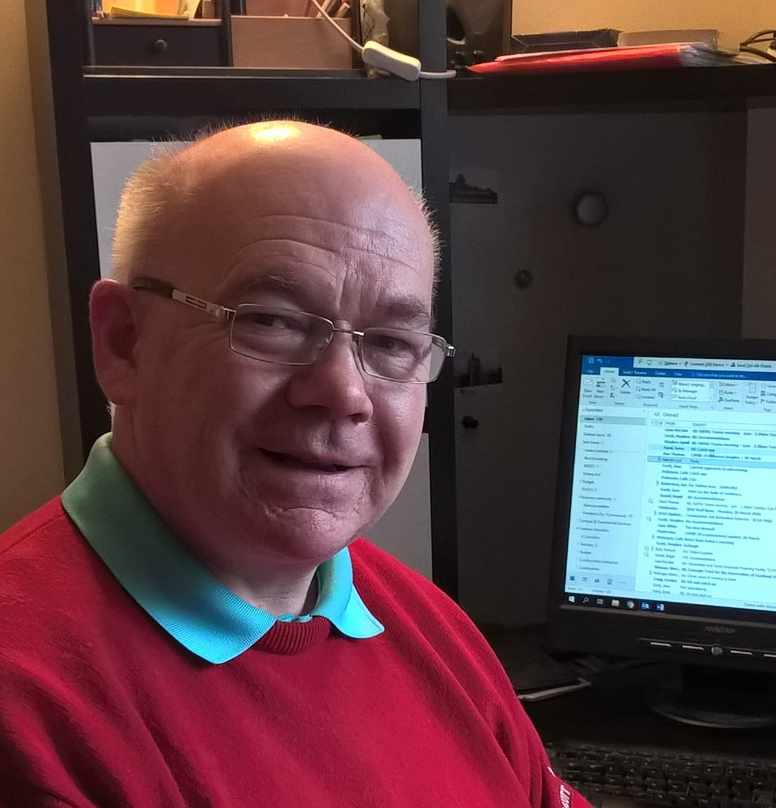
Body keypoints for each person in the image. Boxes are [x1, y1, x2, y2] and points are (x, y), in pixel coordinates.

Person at [0, 121, 588, 807]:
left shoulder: (427, 624)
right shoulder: (29, 710)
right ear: (124, 343)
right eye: (272, 321)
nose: (343, 394)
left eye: (394, 342)